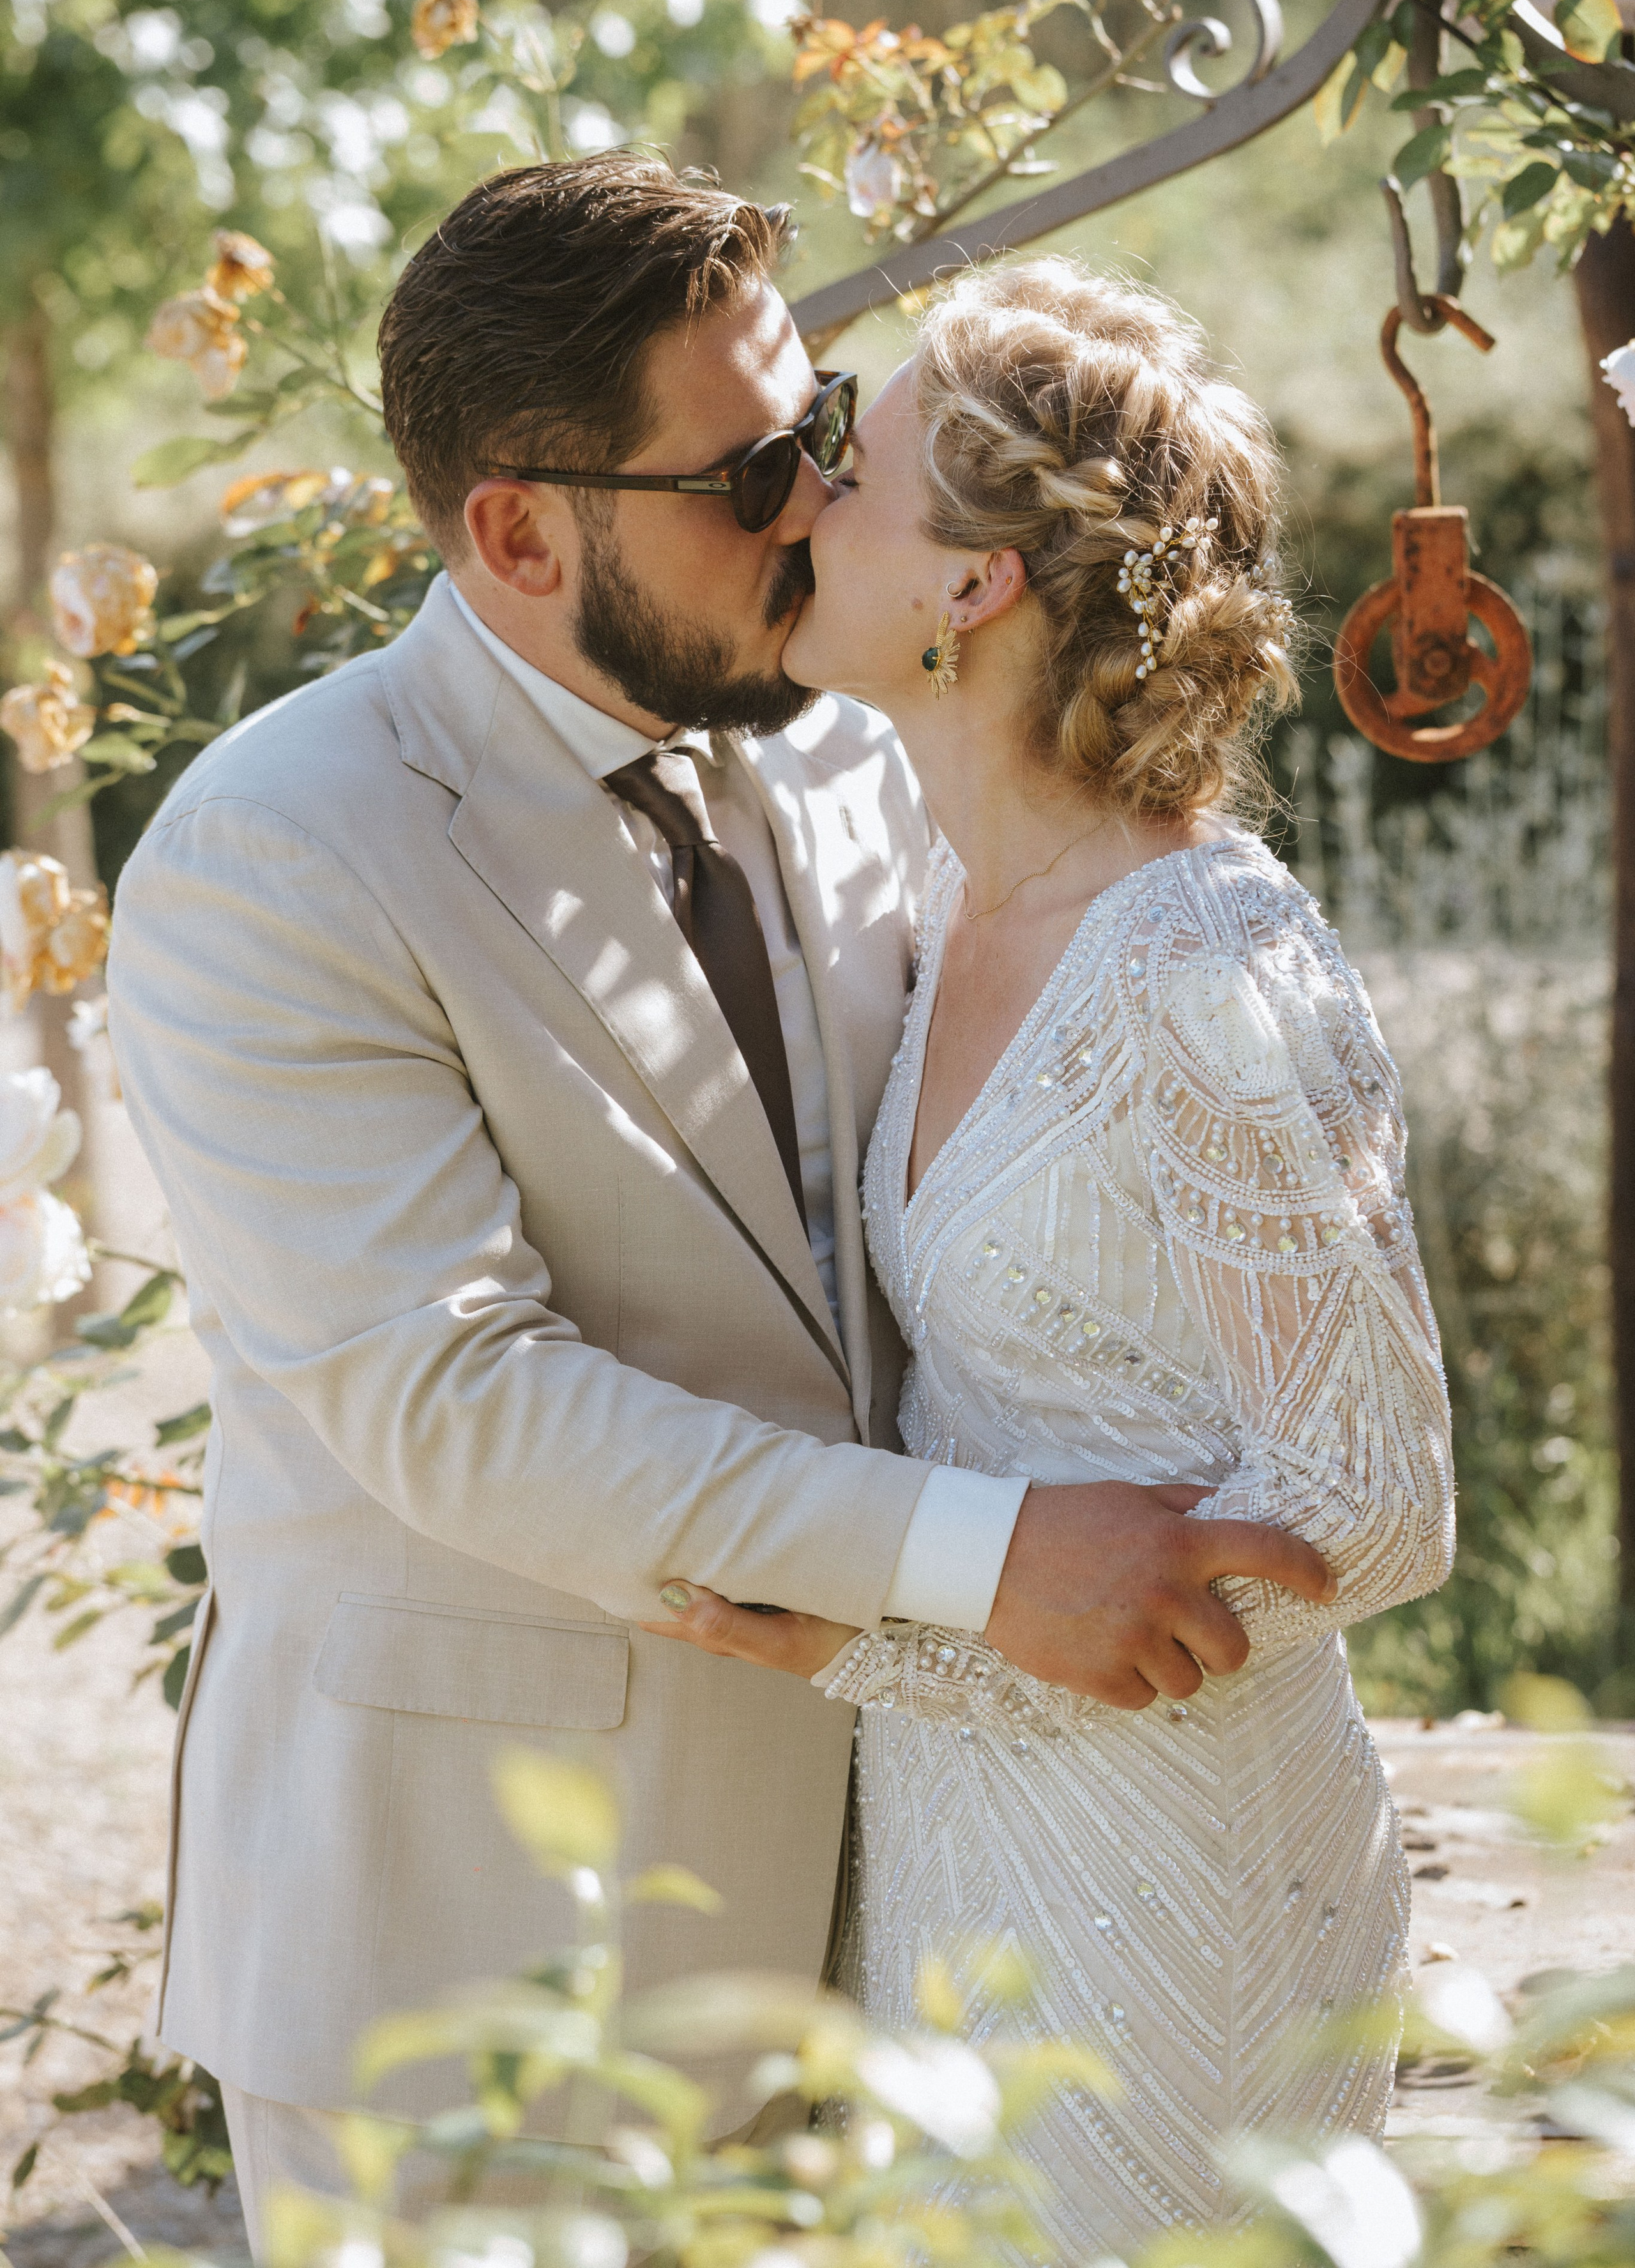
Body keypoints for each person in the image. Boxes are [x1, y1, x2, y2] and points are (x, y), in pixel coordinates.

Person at [108, 158, 1335, 2256]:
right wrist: (986, 1562)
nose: (807, 505)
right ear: (516, 530)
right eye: (748, 468)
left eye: (820, 427)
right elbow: (459, 1398)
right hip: (479, 1968)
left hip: (919, 1914)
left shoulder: (853, 756)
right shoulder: (279, 857)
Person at [645, 257, 1456, 2257]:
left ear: (973, 586)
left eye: (852, 463)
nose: (795, 491)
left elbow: (1384, 1504)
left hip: (1188, 1872)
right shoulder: (940, 893)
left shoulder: (1206, 964)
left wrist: (906, 1636)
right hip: (962, 1842)